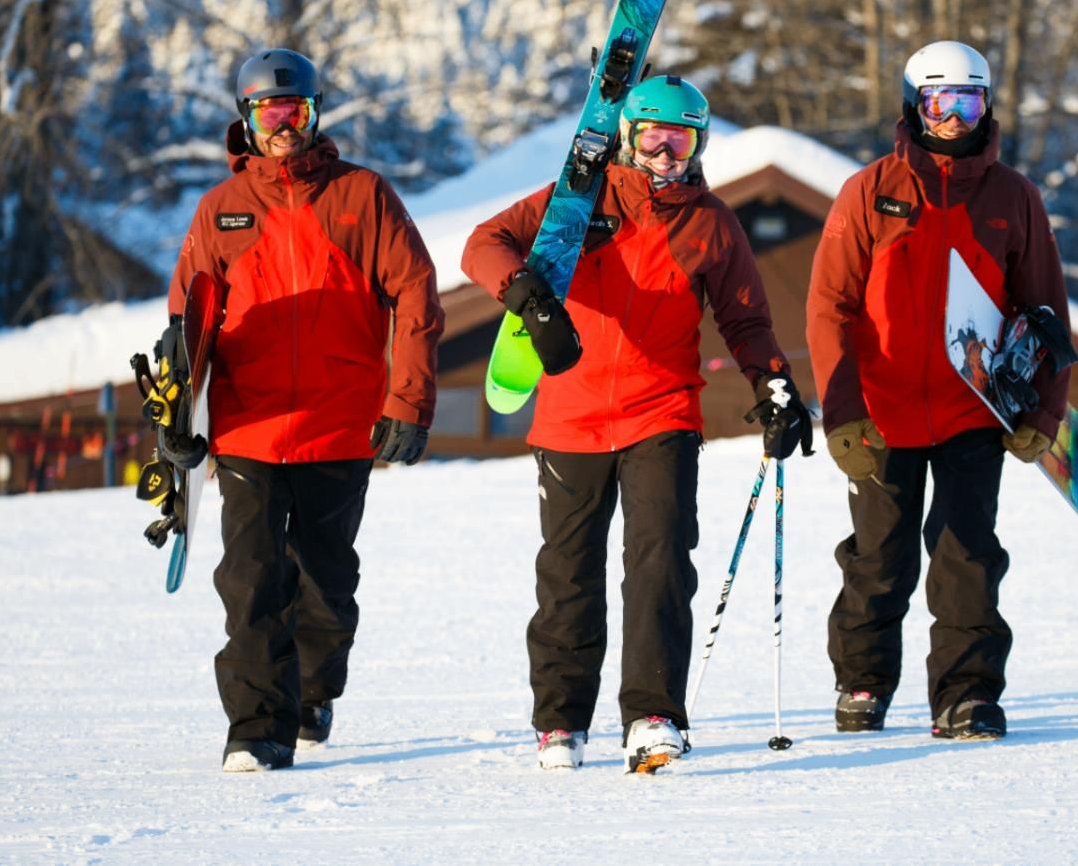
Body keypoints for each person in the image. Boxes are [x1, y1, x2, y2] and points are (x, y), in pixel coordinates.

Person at [461, 75, 811, 771]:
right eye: (653, 137)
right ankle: (561, 721)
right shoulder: (580, 198)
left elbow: (745, 318)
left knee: (658, 565)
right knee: (568, 574)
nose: (666, 152)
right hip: (570, 415)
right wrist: (529, 299)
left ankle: (652, 715)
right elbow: (482, 243)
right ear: (628, 137)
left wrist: (773, 381)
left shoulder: (711, 222)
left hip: (662, 414)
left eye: (681, 139)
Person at [167, 48, 444, 772]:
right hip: (248, 429)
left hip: (339, 426)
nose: (285, 126)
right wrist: (177, 423)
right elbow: (186, 324)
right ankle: (258, 727)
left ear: (315, 114)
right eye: (269, 113)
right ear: (248, 121)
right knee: (252, 580)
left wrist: (407, 399)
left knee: (327, 587)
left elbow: (415, 293)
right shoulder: (219, 211)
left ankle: (314, 688)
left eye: (296, 112)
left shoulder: (362, 197)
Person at [806, 40, 1071, 741]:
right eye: (940, 101)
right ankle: (863, 680)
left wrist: (1042, 409)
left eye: (970, 101)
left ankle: (968, 695)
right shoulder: (870, 191)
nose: (955, 117)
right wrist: (841, 411)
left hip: (971, 408)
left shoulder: (1013, 198)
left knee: (966, 557)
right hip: (882, 413)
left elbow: (1047, 312)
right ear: (913, 104)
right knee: (879, 559)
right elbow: (828, 305)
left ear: (988, 105)